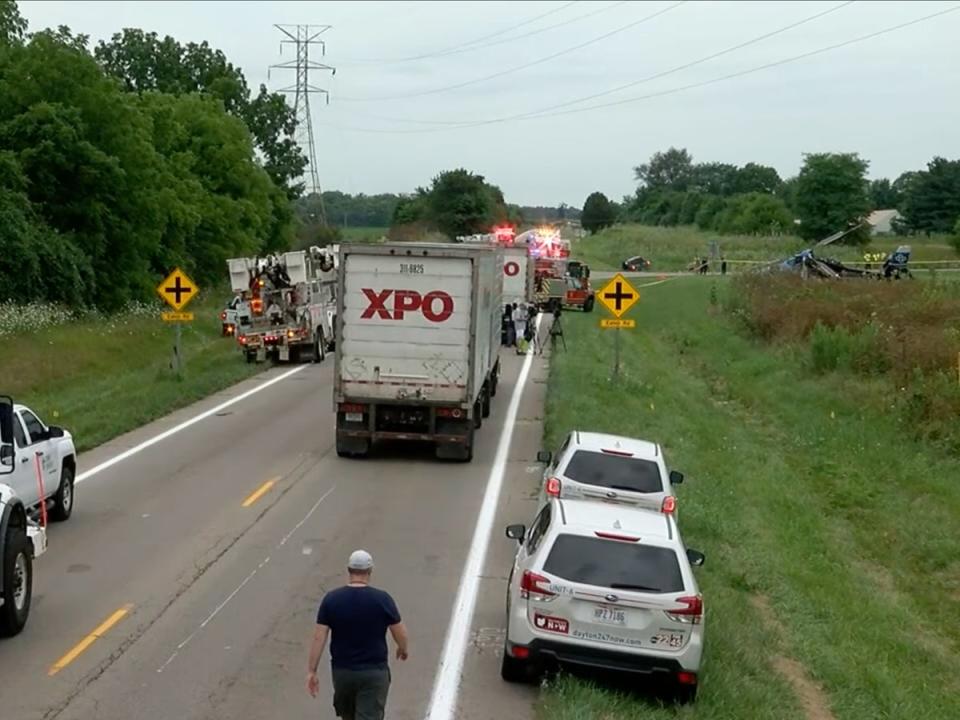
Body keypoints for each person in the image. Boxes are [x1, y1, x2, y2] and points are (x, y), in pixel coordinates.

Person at [307, 550, 409, 720]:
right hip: (373, 672)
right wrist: (402, 648)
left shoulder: (331, 600)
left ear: (349, 570)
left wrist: (312, 671)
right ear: (370, 571)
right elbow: (400, 632)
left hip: (342, 673)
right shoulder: (382, 599)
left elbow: (319, 637)